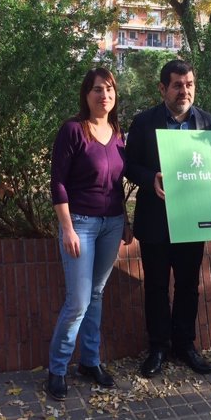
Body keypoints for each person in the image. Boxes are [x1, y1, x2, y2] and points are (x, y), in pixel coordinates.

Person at [125, 59, 211, 378]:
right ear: (163, 88)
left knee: (189, 285)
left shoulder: (209, 124)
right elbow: (129, 165)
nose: (184, 90)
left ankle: (185, 344)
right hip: (155, 220)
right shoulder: (143, 122)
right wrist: (150, 178)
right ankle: (158, 347)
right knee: (156, 286)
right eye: (177, 84)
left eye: (189, 84)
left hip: (193, 219)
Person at [46, 67, 133, 401]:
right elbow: (58, 182)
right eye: (97, 89)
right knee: (78, 301)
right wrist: (67, 227)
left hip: (111, 224)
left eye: (109, 89)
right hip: (79, 223)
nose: (104, 95)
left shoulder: (117, 132)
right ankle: (57, 368)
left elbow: (117, 184)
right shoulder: (73, 130)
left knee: (96, 294)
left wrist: (124, 220)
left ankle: (90, 361)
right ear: (86, 95)